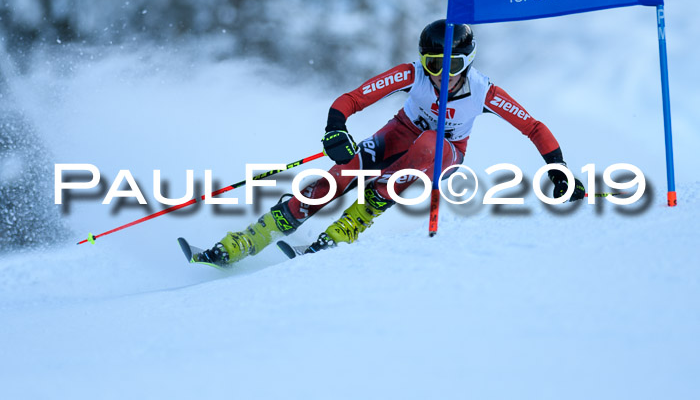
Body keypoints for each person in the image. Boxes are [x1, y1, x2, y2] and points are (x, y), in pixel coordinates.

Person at [194, 19, 585, 266]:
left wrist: (559, 169)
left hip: (442, 154)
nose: (442, 76)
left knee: (429, 143)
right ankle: (248, 240)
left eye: (453, 66)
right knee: (336, 178)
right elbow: (354, 98)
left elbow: (533, 127)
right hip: (397, 134)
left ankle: (349, 226)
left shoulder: (484, 92)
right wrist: (336, 127)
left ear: (469, 62)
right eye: (434, 65)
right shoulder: (412, 74)